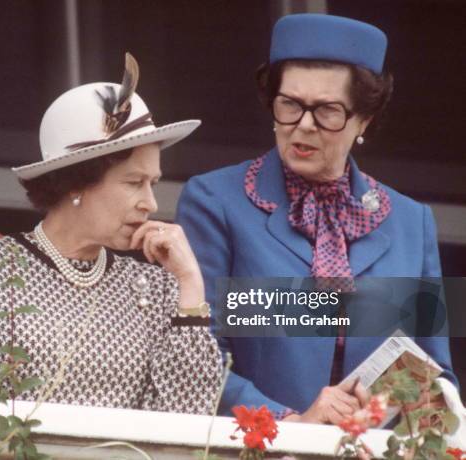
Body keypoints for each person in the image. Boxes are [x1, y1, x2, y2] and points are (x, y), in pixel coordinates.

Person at [176, 14, 458, 423]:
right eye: (289, 104)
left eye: (327, 111)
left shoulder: (412, 224)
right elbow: (196, 357)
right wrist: (293, 424)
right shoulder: (215, 203)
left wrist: (388, 417)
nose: (303, 126)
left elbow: (435, 375)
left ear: (365, 120)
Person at [0, 54, 222, 415]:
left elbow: (186, 426)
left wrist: (190, 285)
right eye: (134, 183)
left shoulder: (157, 288)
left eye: (152, 183)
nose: (150, 203)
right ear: (77, 182)